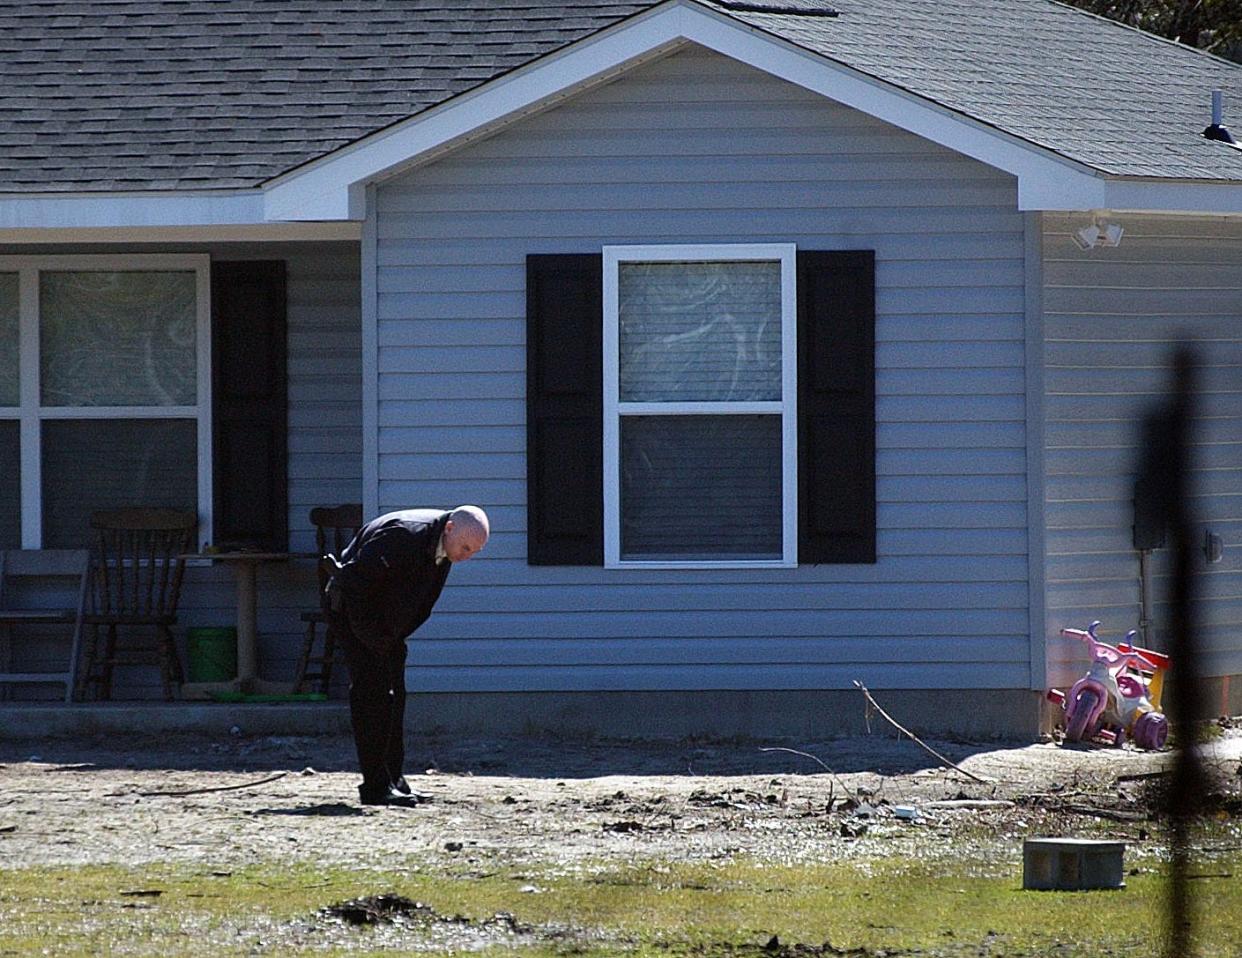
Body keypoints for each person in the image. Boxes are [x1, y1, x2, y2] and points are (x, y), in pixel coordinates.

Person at [325, 505, 489, 806]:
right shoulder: (405, 536)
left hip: (386, 626)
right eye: (466, 547)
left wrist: (393, 638)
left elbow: (420, 604)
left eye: (474, 551)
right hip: (351, 609)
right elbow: (354, 585)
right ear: (450, 528)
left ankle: (393, 779)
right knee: (372, 694)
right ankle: (375, 787)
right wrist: (373, 640)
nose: (467, 556)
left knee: (395, 695)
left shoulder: (444, 547)